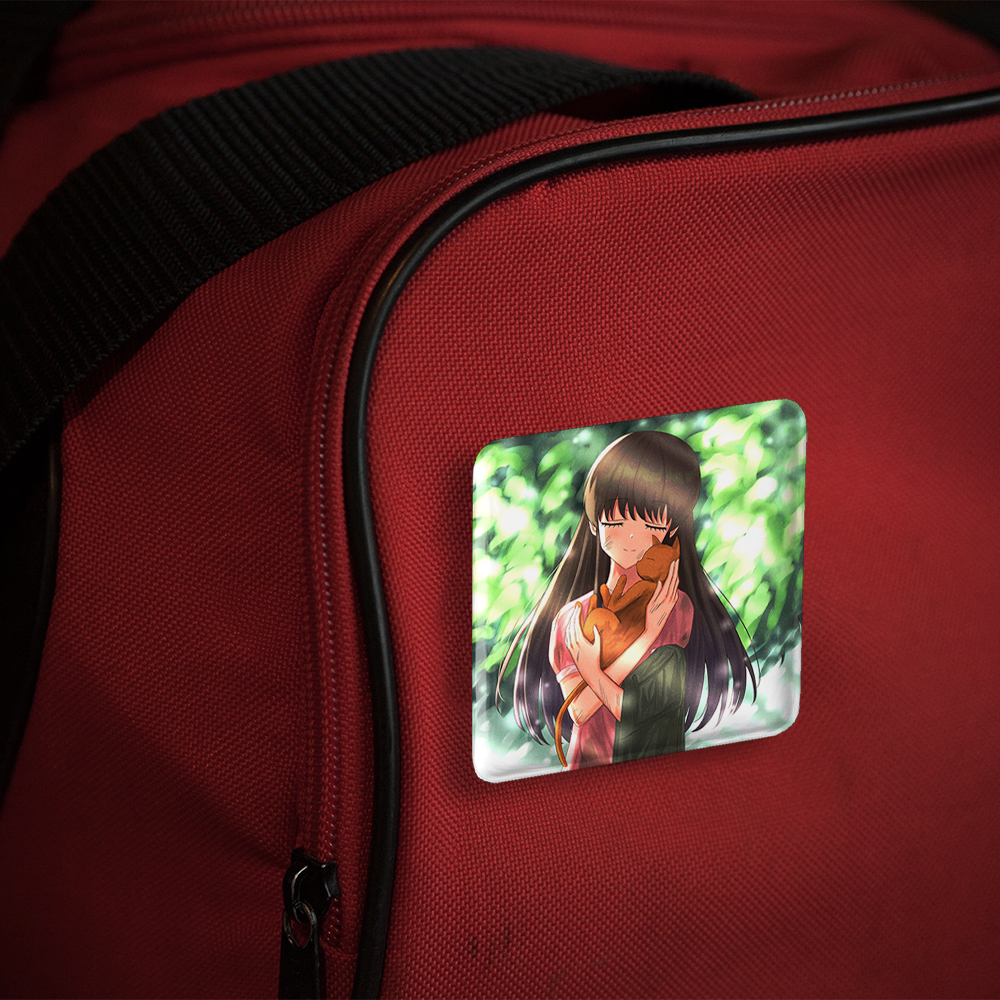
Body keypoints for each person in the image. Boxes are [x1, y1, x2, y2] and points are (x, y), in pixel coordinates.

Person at [500, 430, 755, 769]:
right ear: (595, 524)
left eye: (650, 522)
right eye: (617, 520)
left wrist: (597, 667)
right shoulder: (571, 617)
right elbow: (579, 711)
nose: (632, 535)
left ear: (672, 528)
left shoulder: (673, 607)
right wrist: (642, 640)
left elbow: (647, 715)